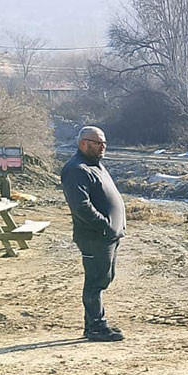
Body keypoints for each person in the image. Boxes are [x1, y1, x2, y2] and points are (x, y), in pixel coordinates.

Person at [61, 126, 126, 341]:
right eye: (97, 143)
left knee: (103, 279)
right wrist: (105, 226)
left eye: (103, 143)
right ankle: (96, 327)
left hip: (107, 236)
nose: (102, 147)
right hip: (94, 236)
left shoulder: (95, 165)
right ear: (83, 143)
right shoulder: (76, 169)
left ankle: (95, 324)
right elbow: (81, 207)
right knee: (95, 282)